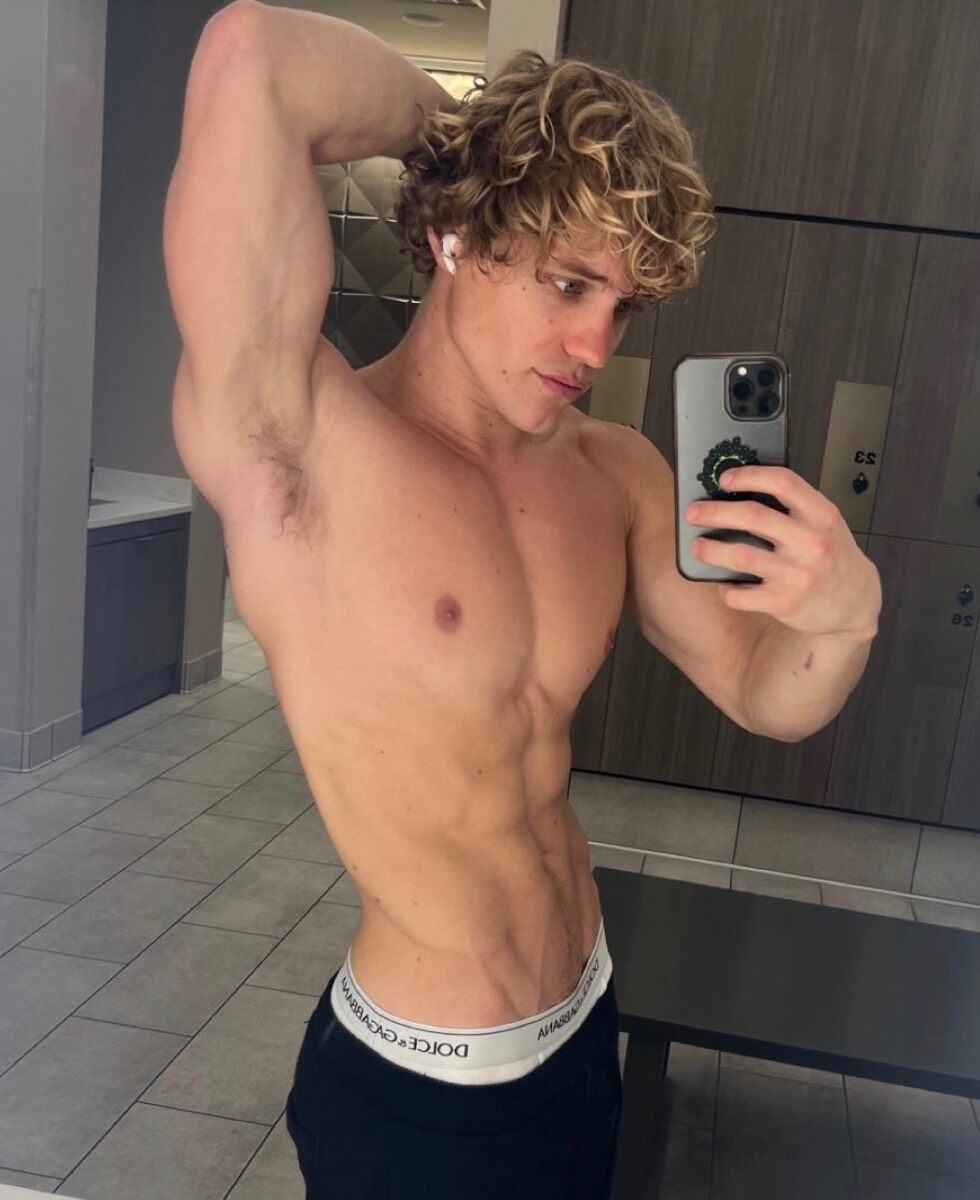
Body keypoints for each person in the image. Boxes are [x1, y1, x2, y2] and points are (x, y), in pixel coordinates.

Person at [163, 1, 715, 1195]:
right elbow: (253, 56)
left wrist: (842, 606)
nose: (595, 344)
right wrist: (477, 147)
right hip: (428, 1092)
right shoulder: (300, 440)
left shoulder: (605, 468)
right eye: (568, 282)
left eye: (621, 306)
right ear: (462, 235)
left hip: (585, 1023)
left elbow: (771, 691)